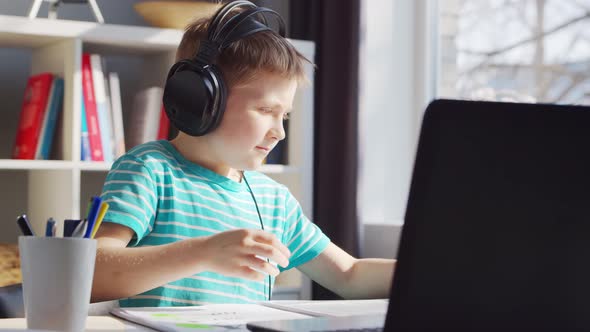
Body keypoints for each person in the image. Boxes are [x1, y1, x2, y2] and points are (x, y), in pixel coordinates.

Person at [91, 1, 395, 307]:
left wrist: (436, 274)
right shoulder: (149, 170)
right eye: (266, 110)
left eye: (284, 116)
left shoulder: (275, 202)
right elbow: (93, 274)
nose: (279, 131)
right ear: (200, 99)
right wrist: (203, 252)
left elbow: (350, 275)